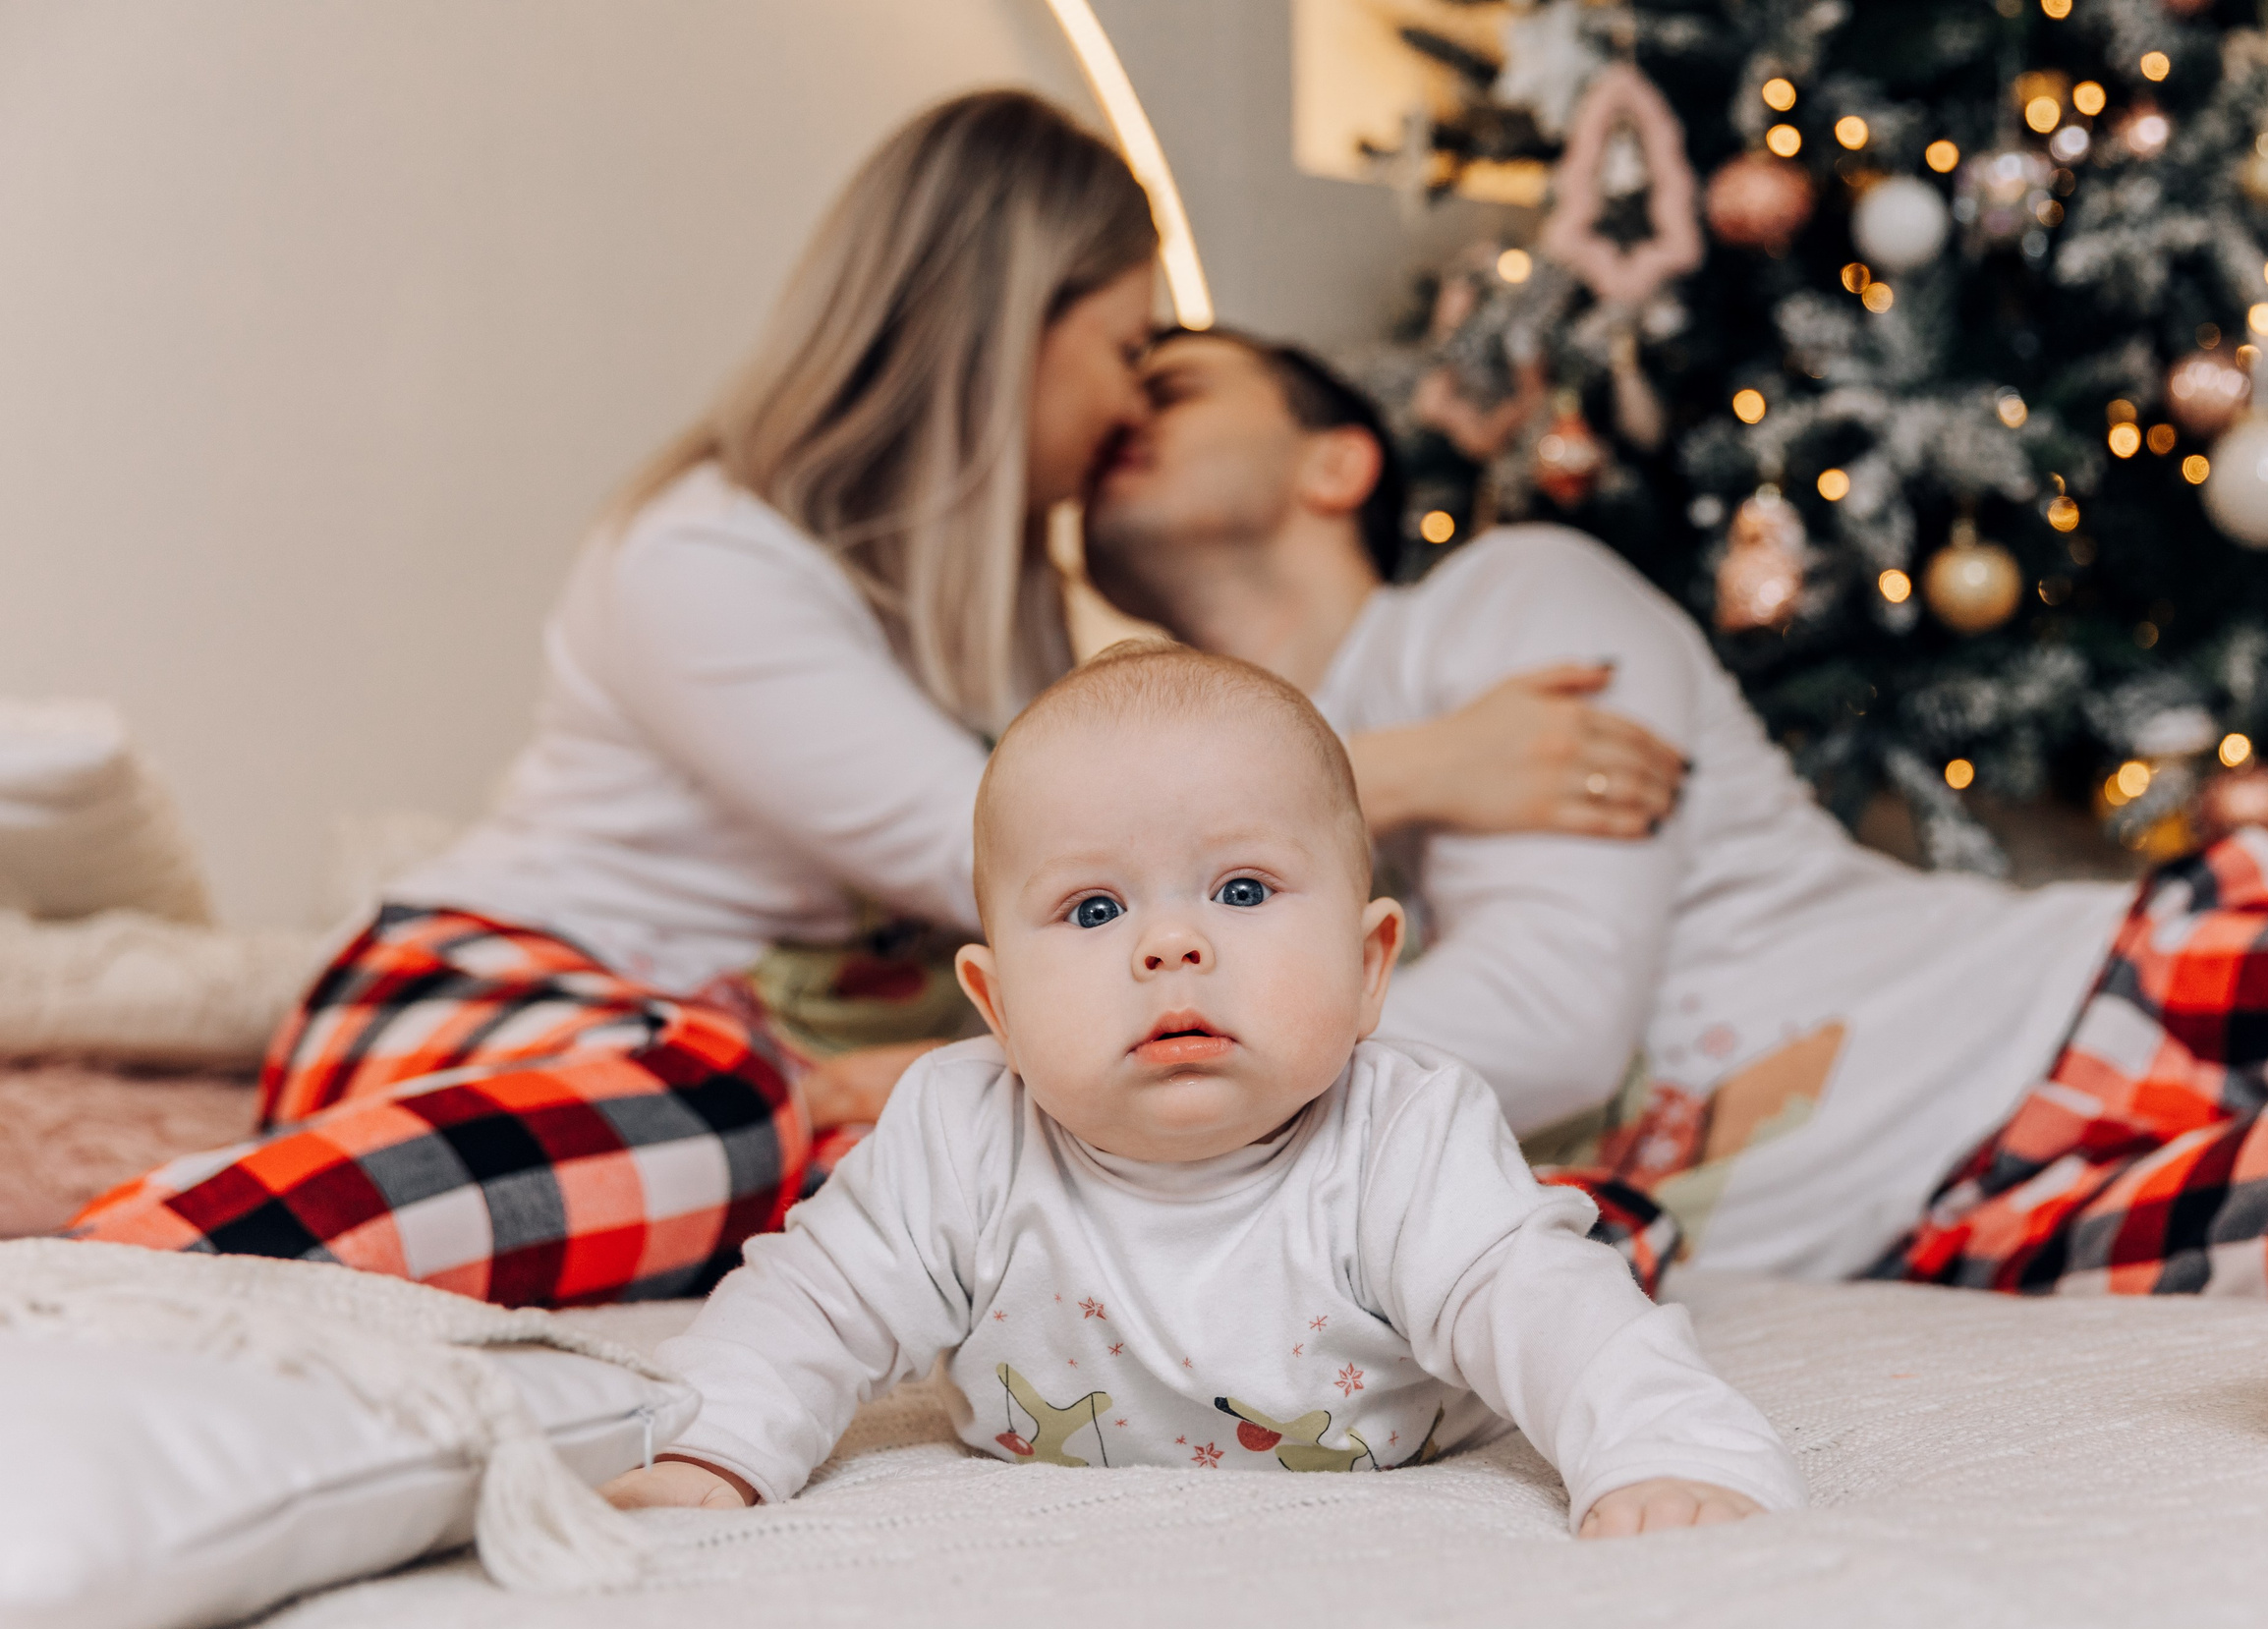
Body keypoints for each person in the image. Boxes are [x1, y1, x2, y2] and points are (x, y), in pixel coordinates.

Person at [65, 92, 1682, 1306]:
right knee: (757, 1112)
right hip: (472, 998)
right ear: (1000, 333)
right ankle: (118, 1283)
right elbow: (994, 851)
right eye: (1123, 346)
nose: (1132, 399)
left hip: (724, 1066)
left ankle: (1485, 1260)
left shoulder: (1009, 617)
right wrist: (1416, 769)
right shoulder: (702, 558)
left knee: (1084, 1146)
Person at [1080, 326, 2268, 1298]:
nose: (1120, 409)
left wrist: (1101, 1080)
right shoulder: (1165, 792)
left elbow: (1556, 1005)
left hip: (2072, 1006)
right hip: (1937, 1240)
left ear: (1339, 463)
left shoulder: (1509, 597)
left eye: (1177, 381)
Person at [599, 643, 1804, 1535]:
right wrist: (708, 1451)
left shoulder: (1405, 1134)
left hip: (1456, 1300)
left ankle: (1620, 1211)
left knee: (1568, 1244)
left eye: (1239, 891)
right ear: (997, 1004)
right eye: (1093, 908)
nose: (1169, 947)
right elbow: (808, 1306)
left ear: (1370, 964)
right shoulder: (955, 1133)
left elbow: (1548, 1312)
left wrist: (1665, 1456)